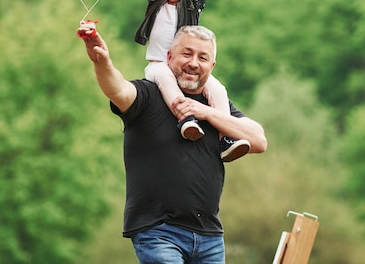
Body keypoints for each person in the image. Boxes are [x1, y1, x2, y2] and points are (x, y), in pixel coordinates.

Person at [78, 24, 267, 264]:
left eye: (203, 57)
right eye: (186, 54)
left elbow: (259, 140)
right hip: (159, 231)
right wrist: (102, 62)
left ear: (212, 66)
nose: (193, 63)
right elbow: (118, 90)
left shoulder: (216, 107)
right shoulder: (148, 95)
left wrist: (206, 113)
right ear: (169, 57)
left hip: (209, 236)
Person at [134, 0, 250, 161]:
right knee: (166, 80)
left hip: (186, 66)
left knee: (217, 89)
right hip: (159, 63)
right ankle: (186, 118)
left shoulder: (192, 3)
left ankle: (227, 137)